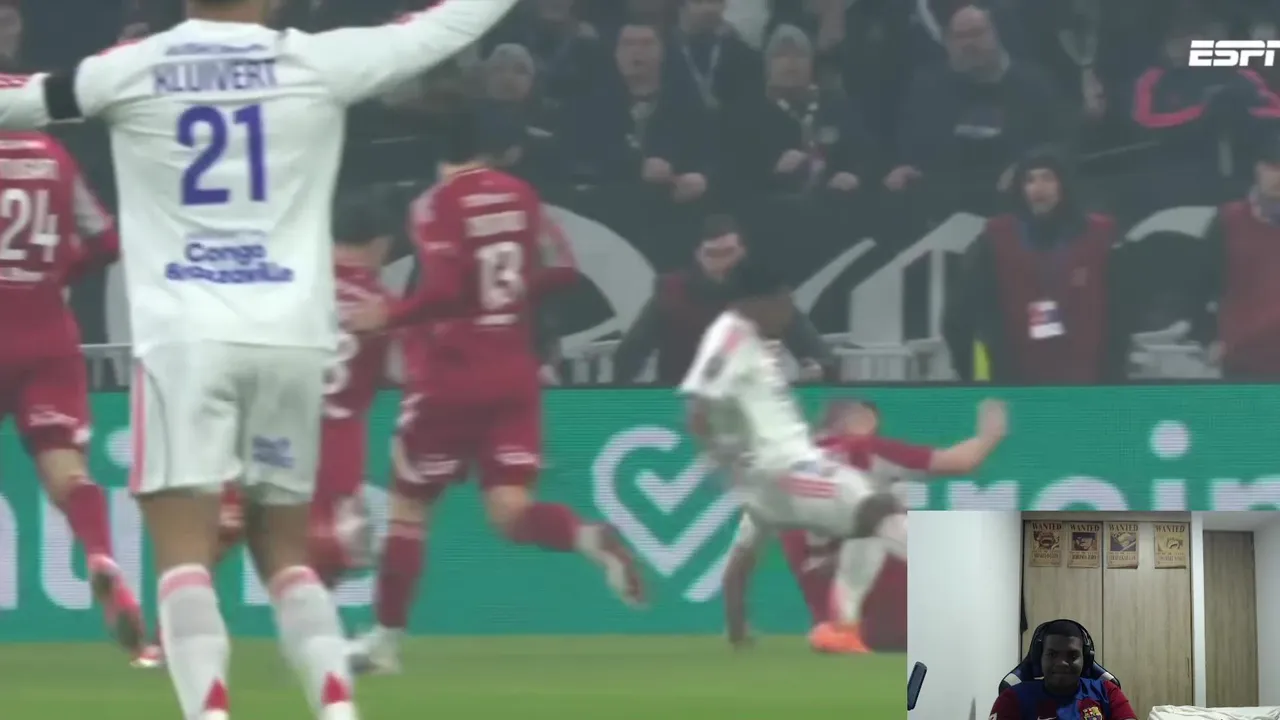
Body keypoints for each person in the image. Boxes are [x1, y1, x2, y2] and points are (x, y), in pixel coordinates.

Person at [0, 0, 523, 717]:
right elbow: (439, 29)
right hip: (290, 341)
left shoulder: (129, 69)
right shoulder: (318, 62)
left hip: (185, 342)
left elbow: (21, 100)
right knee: (287, 558)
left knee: (184, 557)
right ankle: (337, 709)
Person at [341, 87, 646, 675]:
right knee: (509, 511)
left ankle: (384, 643)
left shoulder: (434, 205)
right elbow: (563, 269)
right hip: (513, 373)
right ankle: (585, 537)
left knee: (408, 510)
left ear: (438, 153)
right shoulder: (520, 195)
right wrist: (507, 299)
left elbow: (443, 290)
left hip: (450, 375)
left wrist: (392, 314)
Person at [679, 254, 909, 650]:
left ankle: (838, 628)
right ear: (759, 301)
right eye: (785, 302)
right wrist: (718, 457)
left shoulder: (747, 339)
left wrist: (736, 632)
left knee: (866, 521)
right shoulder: (731, 337)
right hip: (783, 469)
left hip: (773, 475)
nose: (789, 313)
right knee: (879, 509)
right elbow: (699, 405)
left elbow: (738, 567)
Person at [0, 129, 155, 664]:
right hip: (47, 331)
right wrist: (58, 272)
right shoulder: (53, 154)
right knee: (65, 467)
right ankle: (100, 554)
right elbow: (106, 242)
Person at [722, 396, 1006, 653]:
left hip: (842, 625)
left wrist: (738, 630)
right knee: (887, 520)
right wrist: (990, 436)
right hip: (905, 620)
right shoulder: (864, 450)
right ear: (860, 420)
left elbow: (735, 572)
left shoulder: (771, 487)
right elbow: (961, 461)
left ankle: (841, 629)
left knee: (874, 524)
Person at [990, 620, 1136, 720]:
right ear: (1039, 657)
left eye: (1072, 655)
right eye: (1052, 654)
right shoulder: (1012, 698)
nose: (1062, 663)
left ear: (1085, 659)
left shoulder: (1108, 692)